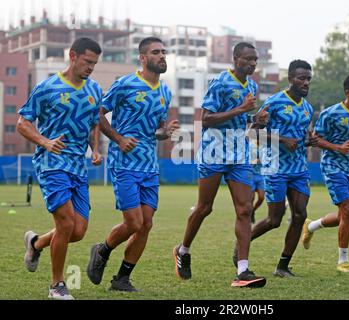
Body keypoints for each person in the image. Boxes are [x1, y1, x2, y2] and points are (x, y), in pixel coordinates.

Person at [86, 37, 179, 292]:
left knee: (146, 224)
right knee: (134, 223)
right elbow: (98, 115)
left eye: (163, 52)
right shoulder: (125, 84)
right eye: (155, 52)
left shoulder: (165, 91)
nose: (162, 56)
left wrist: (165, 132)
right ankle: (102, 250)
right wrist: (118, 138)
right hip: (124, 164)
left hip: (150, 166)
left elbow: (157, 131)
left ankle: (121, 279)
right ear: (142, 57)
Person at [173, 42, 268, 288]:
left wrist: (255, 120)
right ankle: (183, 251)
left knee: (245, 209)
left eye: (255, 59)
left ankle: (243, 271)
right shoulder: (220, 83)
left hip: (239, 155)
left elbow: (240, 119)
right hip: (214, 152)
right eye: (248, 59)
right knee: (205, 208)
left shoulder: (252, 85)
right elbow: (205, 120)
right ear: (235, 58)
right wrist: (242, 109)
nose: (253, 63)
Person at [18, 37, 103, 300]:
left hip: (78, 166)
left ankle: (36, 243)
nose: (90, 67)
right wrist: (45, 141)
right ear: (73, 55)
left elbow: (94, 123)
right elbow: (23, 123)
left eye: (94, 64)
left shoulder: (95, 89)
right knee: (66, 222)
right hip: (51, 163)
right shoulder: (47, 87)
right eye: (87, 62)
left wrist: (96, 148)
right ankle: (57, 285)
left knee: (77, 231)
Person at [233, 60, 315, 278]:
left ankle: (282, 266)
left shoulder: (308, 108)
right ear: (290, 79)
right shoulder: (274, 102)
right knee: (274, 220)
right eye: (301, 78)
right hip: (275, 167)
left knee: (300, 215)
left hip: (299, 168)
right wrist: (281, 139)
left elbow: (301, 138)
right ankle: (244, 241)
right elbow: (251, 133)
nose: (306, 82)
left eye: (308, 78)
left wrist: (310, 140)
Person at [301, 74, 349, 273]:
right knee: (348, 210)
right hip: (332, 166)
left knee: (345, 214)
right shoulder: (330, 113)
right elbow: (316, 139)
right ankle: (343, 261)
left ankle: (311, 226)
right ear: (348, 92)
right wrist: (337, 147)